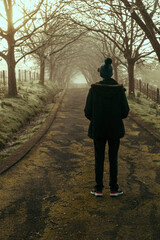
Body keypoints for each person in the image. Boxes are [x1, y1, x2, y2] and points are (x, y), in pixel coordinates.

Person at [84, 57, 129, 197]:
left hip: (98, 129)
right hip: (115, 129)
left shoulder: (94, 90)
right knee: (113, 158)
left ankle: (98, 189)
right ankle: (114, 189)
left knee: (99, 158)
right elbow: (125, 111)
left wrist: (97, 119)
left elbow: (87, 112)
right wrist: (114, 118)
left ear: (101, 74)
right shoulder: (119, 90)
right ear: (111, 73)